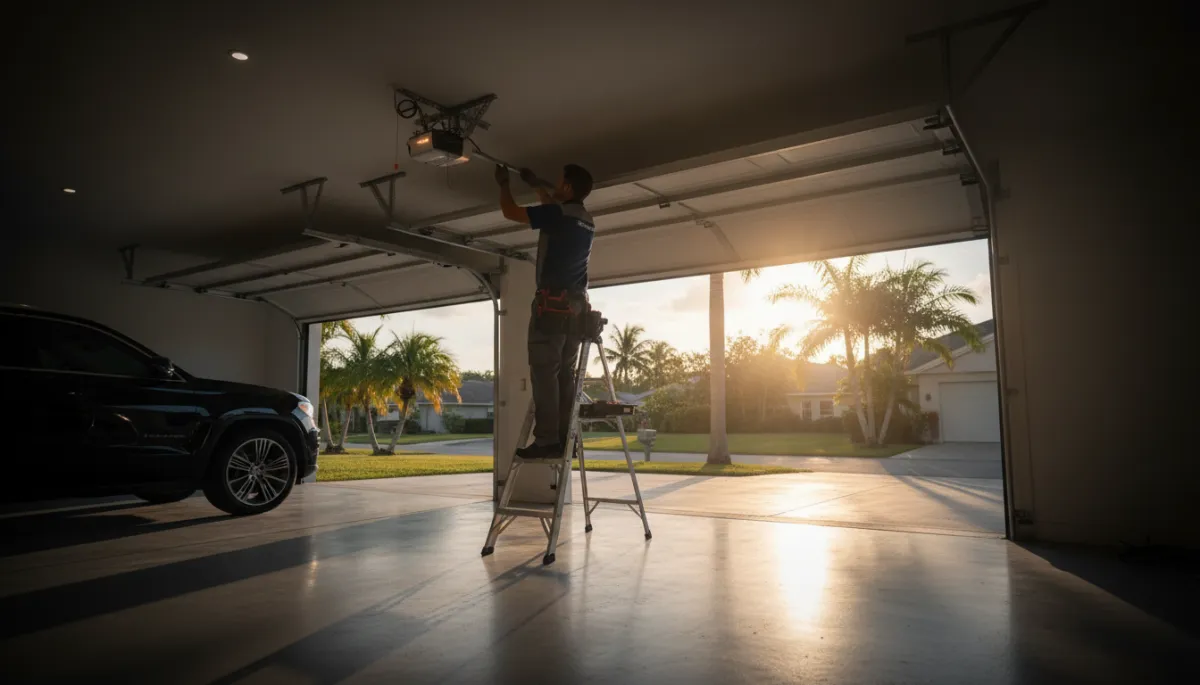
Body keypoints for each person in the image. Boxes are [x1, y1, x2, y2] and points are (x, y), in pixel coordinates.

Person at [495, 162, 595, 459]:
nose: (555, 185)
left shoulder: (558, 215)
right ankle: (566, 440)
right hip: (576, 310)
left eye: (558, 181)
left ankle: (547, 441)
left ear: (567, 187)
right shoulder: (586, 219)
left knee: (544, 374)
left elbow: (510, 212)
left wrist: (503, 183)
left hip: (551, 309)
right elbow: (554, 209)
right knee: (564, 374)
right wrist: (537, 183)